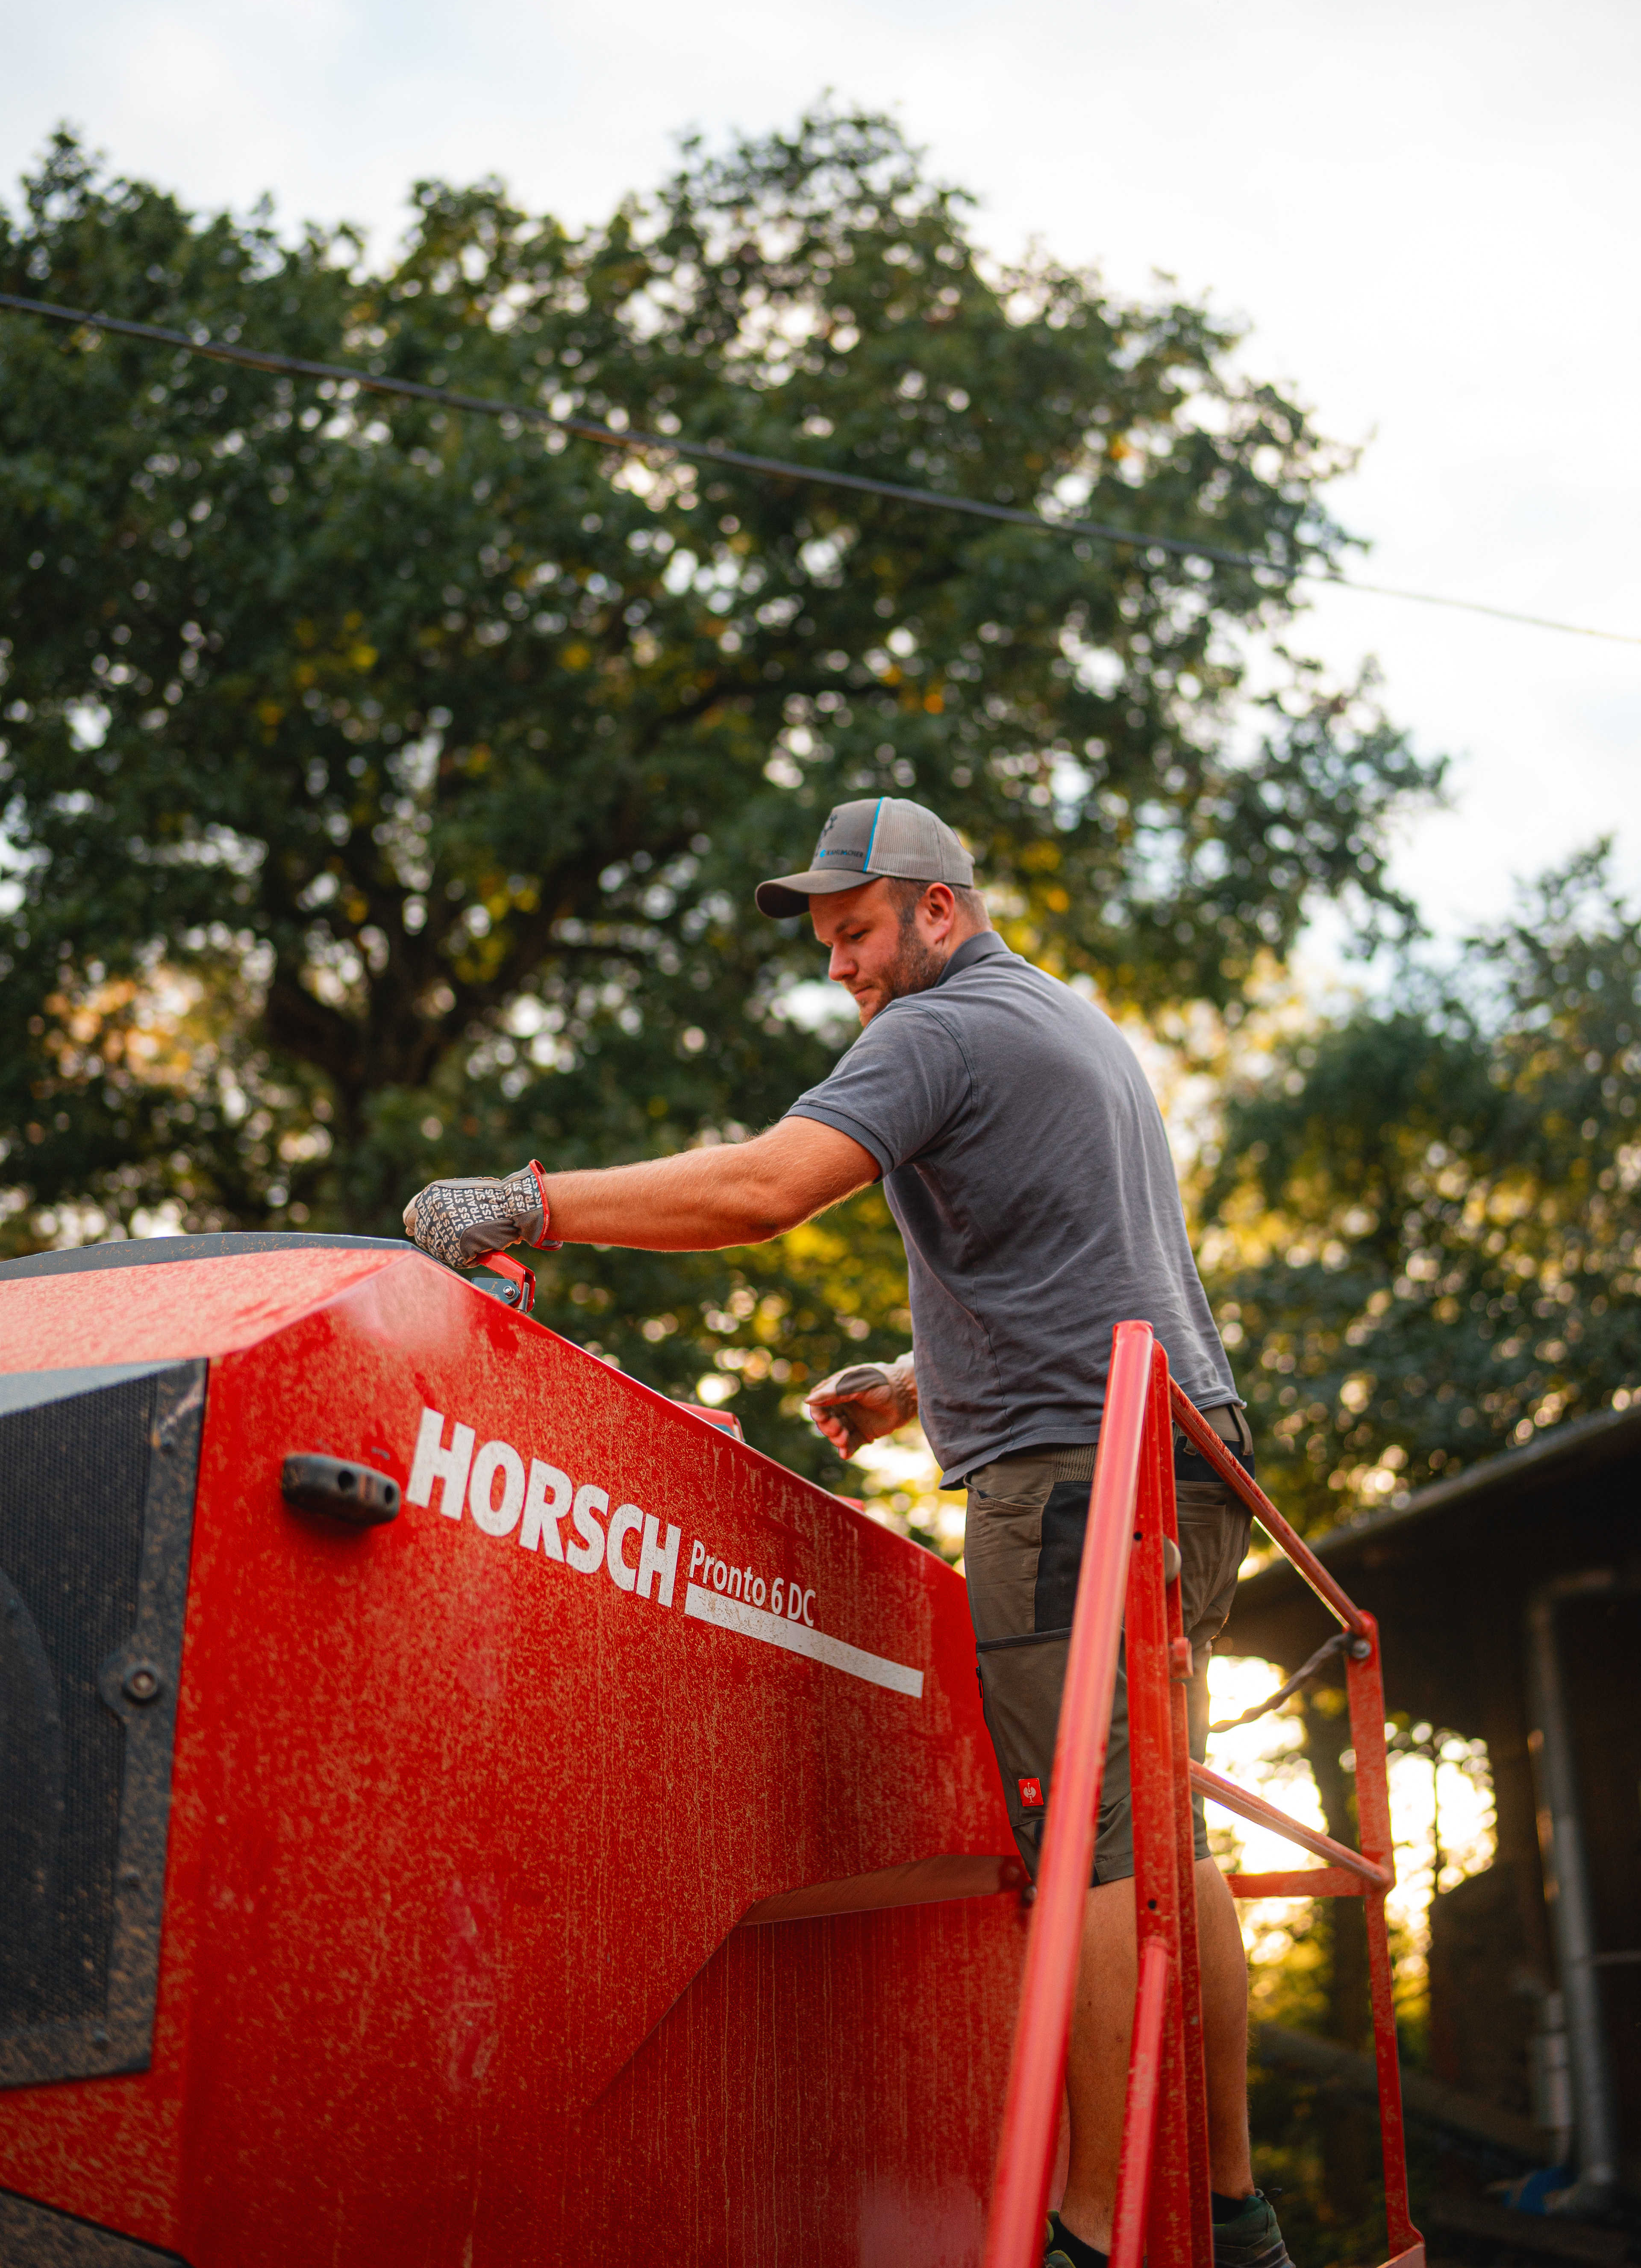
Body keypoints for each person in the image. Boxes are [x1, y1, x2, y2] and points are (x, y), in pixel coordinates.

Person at [402, 795, 1291, 2268]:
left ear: (940, 909)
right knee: (1165, 1833)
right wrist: (915, 1380)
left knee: (1086, 1847)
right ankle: (1231, 2211)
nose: (844, 971)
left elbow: (765, 1192)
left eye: (859, 933)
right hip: (1179, 1466)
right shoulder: (1064, 1025)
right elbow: (1085, 1269)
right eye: (830, 945)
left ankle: (1087, 2231)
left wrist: (524, 1201)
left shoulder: (937, 1034)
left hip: (1071, 1485)